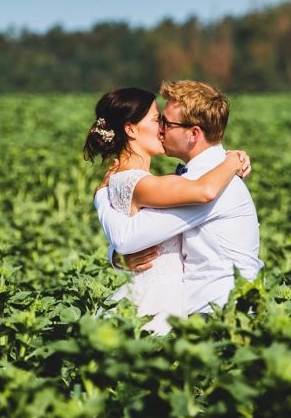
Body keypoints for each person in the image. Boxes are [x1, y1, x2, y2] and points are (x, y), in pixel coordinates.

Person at [83, 86, 251, 334]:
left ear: (194, 133)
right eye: (156, 119)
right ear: (131, 129)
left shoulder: (137, 181)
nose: (161, 128)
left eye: (165, 122)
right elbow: (128, 237)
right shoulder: (151, 183)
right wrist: (233, 161)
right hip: (166, 300)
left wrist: (115, 252)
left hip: (217, 307)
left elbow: (136, 233)